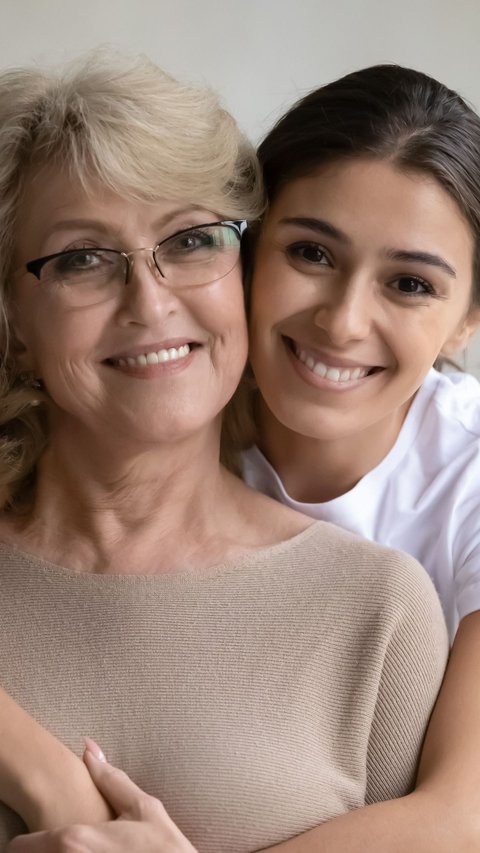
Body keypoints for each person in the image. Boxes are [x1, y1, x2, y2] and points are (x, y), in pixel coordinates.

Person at [0, 53, 447, 852]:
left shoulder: (377, 609)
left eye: (192, 239)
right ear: (15, 326)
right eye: (81, 258)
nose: (151, 299)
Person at [241, 64, 480, 848]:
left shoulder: (469, 474)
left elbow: (461, 813)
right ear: (246, 246)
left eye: (409, 283)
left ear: (466, 321)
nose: (343, 322)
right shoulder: (162, 401)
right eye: (311, 252)